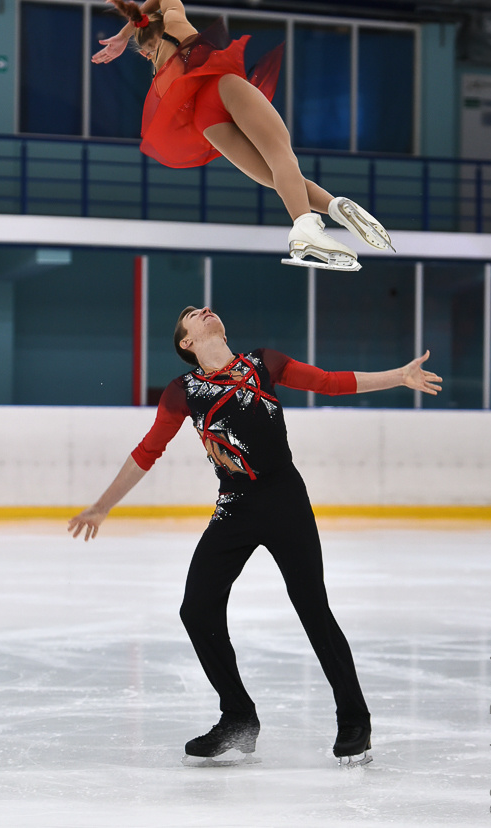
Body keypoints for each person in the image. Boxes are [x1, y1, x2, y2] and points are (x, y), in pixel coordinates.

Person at [68, 305, 442, 766]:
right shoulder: (182, 391)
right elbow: (148, 450)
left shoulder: (263, 363)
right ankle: (239, 718)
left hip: (285, 499)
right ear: (186, 343)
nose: (203, 311)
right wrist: (102, 506)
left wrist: (397, 376)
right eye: (191, 314)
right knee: (196, 609)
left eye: (204, 309)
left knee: (312, 609)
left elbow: (328, 381)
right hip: (235, 507)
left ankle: (354, 722)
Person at [91, 0, 395, 273]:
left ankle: (333, 207)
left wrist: (128, 34)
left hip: (205, 122)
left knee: (280, 179)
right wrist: (124, 32)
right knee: (281, 157)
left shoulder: (159, 74)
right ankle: (304, 228)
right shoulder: (175, 24)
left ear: (146, 51)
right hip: (222, 88)